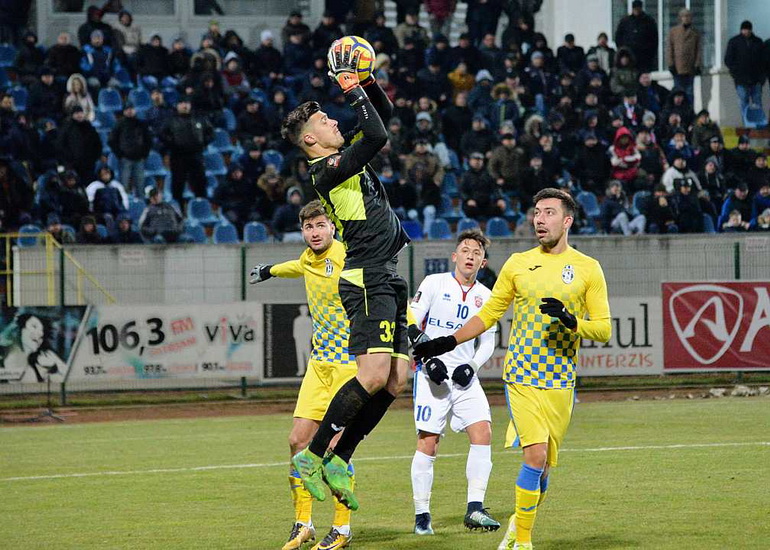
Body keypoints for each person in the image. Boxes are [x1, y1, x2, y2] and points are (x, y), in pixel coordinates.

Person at [413, 187, 611, 550]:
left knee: (544, 469)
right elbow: (488, 315)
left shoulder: (588, 269)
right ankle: (523, 541)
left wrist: (571, 320)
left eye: (549, 212)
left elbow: (603, 328)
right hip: (521, 375)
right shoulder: (519, 263)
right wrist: (446, 342)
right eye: (536, 212)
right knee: (533, 455)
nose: (539, 219)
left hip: (560, 381)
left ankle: (518, 527)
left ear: (566, 221)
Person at [281, 42, 411, 512]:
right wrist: (350, 87)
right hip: (365, 275)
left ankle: (340, 456)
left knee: (396, 378)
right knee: (373, 374)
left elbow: (384, 115)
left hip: (387, 273)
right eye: (323, 122)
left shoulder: (340, 156)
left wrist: (366, 81)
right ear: (311, 141)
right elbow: (376, 136)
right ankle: (313, 457)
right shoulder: (326, 171)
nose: (334, 122)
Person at [249, 200, 357, 550]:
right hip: (319, 366)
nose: (314, 233)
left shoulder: (347, 256)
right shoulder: (308, 259)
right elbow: (294, 266)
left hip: (349, 366)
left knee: (336, 449)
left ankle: (341, 527)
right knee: (298, 442)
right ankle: (303, 523)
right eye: (309, 228)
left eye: (320, 226)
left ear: (332, 228)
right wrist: (268, 271)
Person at [409, 229, 500, 535]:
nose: (470, 255)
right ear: (455, 256)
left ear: (482, 262)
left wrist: (473, 365)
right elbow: (412, 317)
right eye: (465, 250)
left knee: (483, 431)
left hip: (463, 374)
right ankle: (422, 515)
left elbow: (488, 341)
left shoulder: (486, 297)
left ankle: (474, 508)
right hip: (431, 371)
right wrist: (427, 357)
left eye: (476, 252)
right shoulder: (435, 283)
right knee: (428, 443)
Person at [160, 96, 214, 206]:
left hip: (196, 155)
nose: (185, 106)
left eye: (187, 103)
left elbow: (211, 133)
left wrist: (203, 143)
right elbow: (162, 134)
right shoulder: (171, 119)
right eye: (182, 103)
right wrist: (173, 144)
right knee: (178, 185)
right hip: (178, 156)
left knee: (200, 184)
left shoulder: (199, 118)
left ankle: (201, 207)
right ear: (177, 105)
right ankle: (179, 211)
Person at [0, 312, 67, 383]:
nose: (40, 333)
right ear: (20, 329)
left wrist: (54, 371)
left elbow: (69, 375)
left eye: (42, 331)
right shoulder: (6, 351)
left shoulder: (46, 355)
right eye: (34, 326)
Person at [724, 21, 766, 127]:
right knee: (744, 103)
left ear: (751, 30)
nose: (746, 32)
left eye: (748, 29)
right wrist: (736, 73)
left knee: (757, 103)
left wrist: (761, 79)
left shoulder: (758, 42)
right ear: (741, 30)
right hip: (741, 80)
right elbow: (728, 60)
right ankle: (747, 125)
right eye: (744, 29)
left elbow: (763, 61)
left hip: (756, 80)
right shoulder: (734, 42)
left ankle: (758, 125)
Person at [109, 102, 152, 197]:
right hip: (125, 159)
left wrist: (144, 153)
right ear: (124, 111)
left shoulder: (141, 123)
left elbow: (148, 140)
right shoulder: (119, 124)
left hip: (139, 159)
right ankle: (125, 205)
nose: (130, 111)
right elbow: (112, 140)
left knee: (140, 186)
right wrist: (120, 154)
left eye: (131, 109)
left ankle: (140, 205)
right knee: (124, 185)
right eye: (127, 109)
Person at [666, 8, 701, 107]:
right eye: (684, 16)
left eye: (688, 16)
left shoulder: (695, 32)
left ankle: (689, 113)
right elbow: (669, 48)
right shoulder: (673, 32)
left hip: (690, 68)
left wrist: (697, 64)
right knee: (677, 92)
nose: (686, 18)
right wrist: (670, 64)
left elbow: (698, 49)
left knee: (689, 93)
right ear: (680, 18)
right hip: (677, 68)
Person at [614, 0, 658, 73]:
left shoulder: (649, 21)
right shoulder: (625, 21)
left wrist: (650, 54)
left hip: (644, 57)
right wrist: (623, 52)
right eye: (635, 9)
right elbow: (618, 37)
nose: (636, 11)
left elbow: (654, 40)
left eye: (638, 8)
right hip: (629, 57)